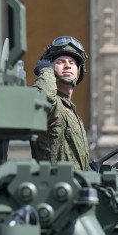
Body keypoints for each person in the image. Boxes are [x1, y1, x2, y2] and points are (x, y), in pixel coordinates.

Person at [30, 35, 90, 170]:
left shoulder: (70, 110)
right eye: (60, 62)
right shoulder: (52, 104)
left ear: (78, 71)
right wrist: (45, 71)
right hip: (54, 185)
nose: (68, 65)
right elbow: (42, 99)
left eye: (72, 62)